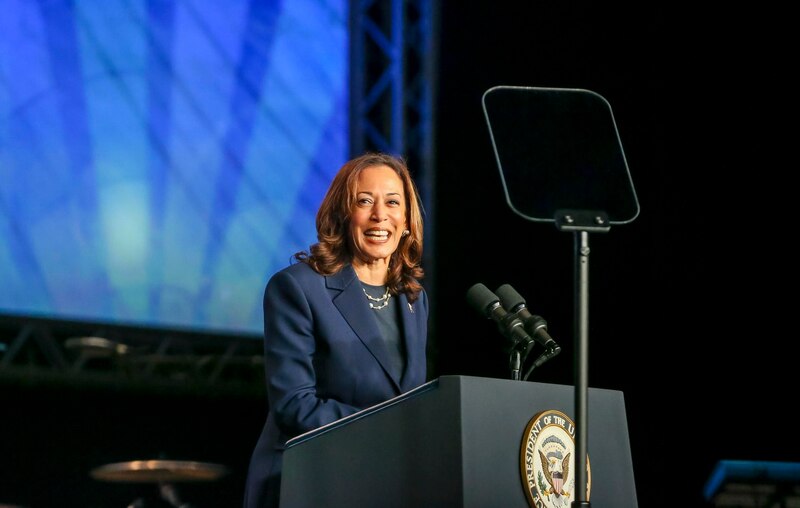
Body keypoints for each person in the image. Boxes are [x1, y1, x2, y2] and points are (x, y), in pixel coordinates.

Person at [242, 152, 429, 508]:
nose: (380, 215)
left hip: (378, 484)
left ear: (406, 219)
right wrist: (387, 428)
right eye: (364, 201)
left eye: (392, 202)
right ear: (343, 214)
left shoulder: (413, 299)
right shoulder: (298, 287)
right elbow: (295, 405)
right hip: (306, 479)